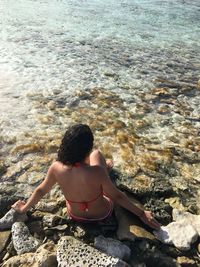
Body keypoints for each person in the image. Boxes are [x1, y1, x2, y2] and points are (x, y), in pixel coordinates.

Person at [12, 124, 160, 229]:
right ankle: (105, 168)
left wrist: (24, 208)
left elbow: (40, 191)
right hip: (102, 214)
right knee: (97, 155)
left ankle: (98, 168)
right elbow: (117, 197)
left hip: (75, 215)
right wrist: (141, 214)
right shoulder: (97, 172)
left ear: (65, 146)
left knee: (92, 168)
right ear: (87, 148)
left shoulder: (55, 168)